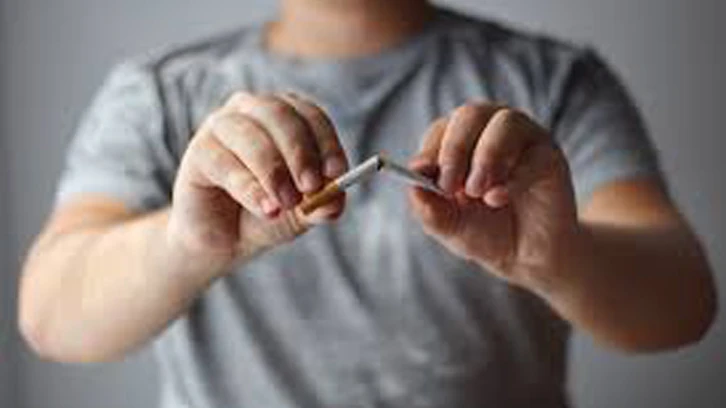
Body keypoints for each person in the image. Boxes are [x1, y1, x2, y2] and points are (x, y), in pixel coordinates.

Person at [18, 0, 716, 407]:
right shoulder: (159, 95)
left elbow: (682, 305)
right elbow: (50, 315)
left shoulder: (555, 81)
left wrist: (553, 257)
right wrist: (186, 244)